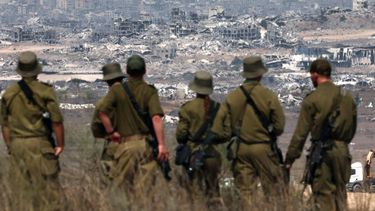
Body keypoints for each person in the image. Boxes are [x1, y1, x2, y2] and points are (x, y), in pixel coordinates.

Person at [211, 56, 285, 208]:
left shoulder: (232, 97)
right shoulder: (269, 96)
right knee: (272, 193)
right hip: (264, 149)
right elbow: (279, 127)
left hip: (241, 150)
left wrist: (231, 135)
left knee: (245, 195)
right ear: (260, 74)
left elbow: (218, 128)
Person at [284, 58, 357, 211]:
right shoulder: (347, 97)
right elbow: (352, 128)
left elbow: (300, 134)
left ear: (315, 75)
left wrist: (290, 159)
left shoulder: (312, 99)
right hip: (342, 152)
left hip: (322, 153)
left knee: (323, 198)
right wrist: (341, 143)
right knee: (340, 196)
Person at [96, 55, 169, 205]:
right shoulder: (149, 91)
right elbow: (156, 118)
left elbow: (102, 112)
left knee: (122, 189)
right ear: (145, 71)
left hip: (124, 146)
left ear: (127, 71)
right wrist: (161, 145)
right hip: (145, 147)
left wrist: (111, 132)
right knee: (145, 191)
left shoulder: (117, 91)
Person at [0, 51, 65, 210]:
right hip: (41, 144)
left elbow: (5, 125)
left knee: (21, 193)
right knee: (49, 194)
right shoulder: (45, 91)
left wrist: (10, 146)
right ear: (37, 70)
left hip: (18, 146)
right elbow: (56, 121)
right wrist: (60, 144)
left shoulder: (9, 94)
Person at [175, 71, 223, 207]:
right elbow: (225, 133)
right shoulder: (218, 108)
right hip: (213, 155)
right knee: (213, 192)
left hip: (193, 155)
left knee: (192, 193)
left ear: (195, 88)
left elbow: (180, 136)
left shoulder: (187, 108)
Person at [91, 62, 124, 186]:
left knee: (110, 183)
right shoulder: (135, 99)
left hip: (113, 146)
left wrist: (110, 133)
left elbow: (96, 130)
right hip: (137, 146)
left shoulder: (102, 103)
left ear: (107, 81)